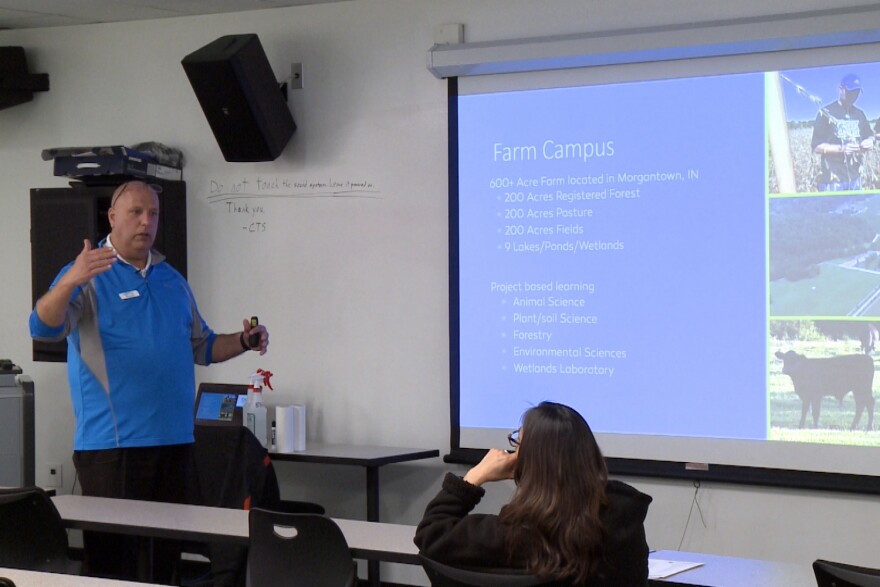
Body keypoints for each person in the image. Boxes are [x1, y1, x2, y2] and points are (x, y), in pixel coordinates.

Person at [28, 180, 269, 582]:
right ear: (112, 217)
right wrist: (70, 279)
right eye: (135, 212)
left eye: (153, 213)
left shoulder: (171, 279)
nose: (146, 222)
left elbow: (203, 345)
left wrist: (244, 341)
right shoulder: (88, 275)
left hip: (175, 442)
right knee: (115, 567)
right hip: (114, 448)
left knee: (165, 563)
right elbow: (42, 326)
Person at [414, 401, 652, 586]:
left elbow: (432, 531)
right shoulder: (623, 522)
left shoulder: (513, 537)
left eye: (518, 444)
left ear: (529, 462)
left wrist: (474, 477)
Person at [811, 73, 875, 191]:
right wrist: (842, 148)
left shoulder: (860, 114)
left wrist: (870, 141)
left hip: (855, 178)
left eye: (856, 92)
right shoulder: (826, 112)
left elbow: (870, 135)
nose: (854, 95)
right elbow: (817, 147)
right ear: (840, 89)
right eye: (850, 91)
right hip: (833, 180)